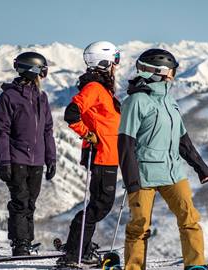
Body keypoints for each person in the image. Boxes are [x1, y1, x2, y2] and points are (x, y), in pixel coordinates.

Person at [118, 48, 208, 270]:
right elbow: (125, 143)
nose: (174, 74)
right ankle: (133, 267)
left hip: (173, 172)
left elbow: (183, 139)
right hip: (144, 175)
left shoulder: (169, 101)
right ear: (159, 72)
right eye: (172, 70)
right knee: (139, 226)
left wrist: (201, 168)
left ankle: (195, 265)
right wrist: (132, 181)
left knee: (190, 219)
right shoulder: (136, 102)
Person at [58, 41, 121, 267]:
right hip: (102, 155)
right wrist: (88, 134)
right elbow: (71, 113)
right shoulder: (94, 88)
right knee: (100, 205)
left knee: (99, 204)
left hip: (109, 155)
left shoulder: (101, 89)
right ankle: (74, 253)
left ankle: (81, 249)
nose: (117, 66)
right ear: (105, 62)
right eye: (115, 60)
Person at [0, 52, 56, 256]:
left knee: (30, 202)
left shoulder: (41, 97)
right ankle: (20, 244)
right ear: (34, 71)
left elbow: (47, 130)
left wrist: (51, 158)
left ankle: (26, 241)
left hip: (37, 160)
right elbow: (2, 131)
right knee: (20, 201)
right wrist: (4, 162)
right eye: (43, 70)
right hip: (16, 158)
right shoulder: (9, 97)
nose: (44, 75)